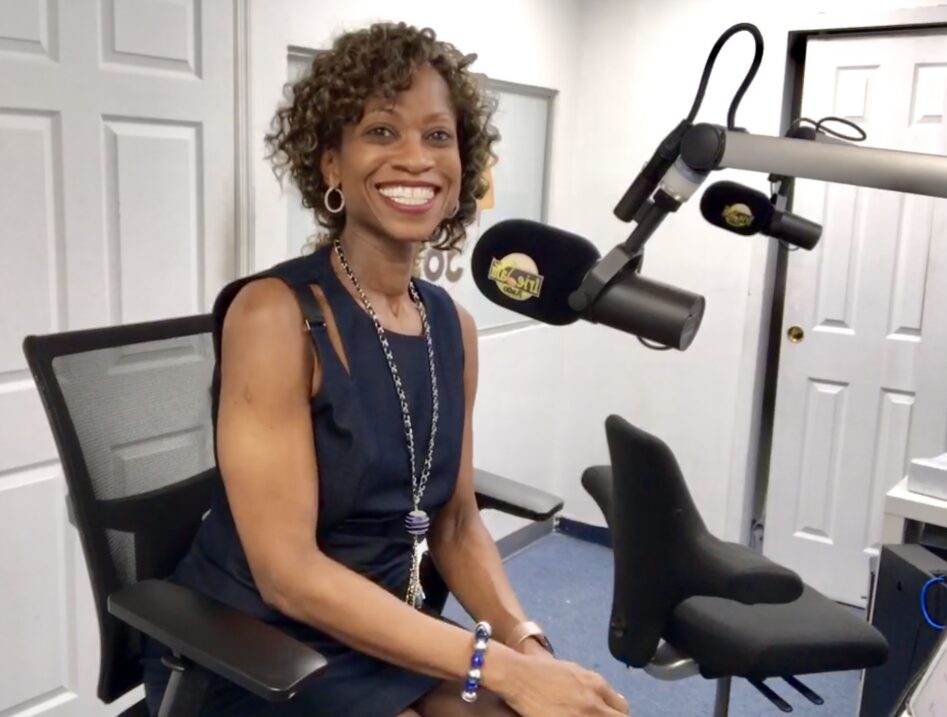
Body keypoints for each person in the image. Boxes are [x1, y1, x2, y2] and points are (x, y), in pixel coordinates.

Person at [141, 21, 631, 717]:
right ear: (331, 165)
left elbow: (456, 524)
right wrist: (495, 667)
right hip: (256, 642)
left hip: (387, 627)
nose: (415, 159)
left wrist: (528, 648)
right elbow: (288, 575)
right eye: (380, 131)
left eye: (438, 136)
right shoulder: (274, 316)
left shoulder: (453, 327)